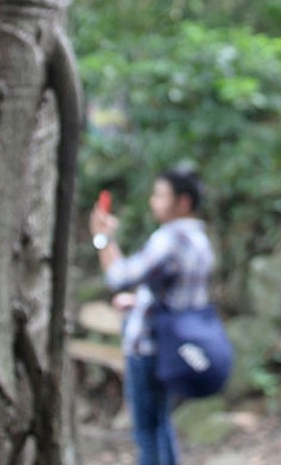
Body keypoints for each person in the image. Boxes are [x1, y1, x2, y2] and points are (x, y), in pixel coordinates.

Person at [89, 169, 215, 465]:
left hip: (148, 349)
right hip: (173, 348)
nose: (153, 201)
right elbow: (181, 297)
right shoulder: (199, 240)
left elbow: (118, 276)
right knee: (161, 425)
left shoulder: (170, 239)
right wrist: (140, 301)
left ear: (182, 202)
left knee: (146, 432)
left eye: (160, 195)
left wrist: (102, 238)